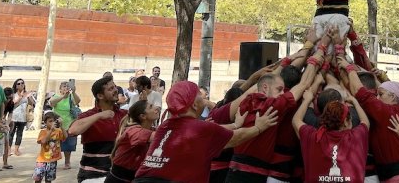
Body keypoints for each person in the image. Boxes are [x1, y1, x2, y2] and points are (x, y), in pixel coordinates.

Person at [134, 80, 278, 183]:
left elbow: (211, 132)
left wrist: (235, 124)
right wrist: (259, 127)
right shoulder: (201, 129)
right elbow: (236, 138)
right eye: (199, 95)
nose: (204, 98)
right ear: (195, 105)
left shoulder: (165, 125)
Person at [227, 41, 327, 182]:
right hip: (252, 174)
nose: (282, 93)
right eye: (279, 90)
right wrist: (321, 50)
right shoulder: (273, 105)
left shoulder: (245, 101)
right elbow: (304, 84)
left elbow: (260, 78)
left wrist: (305, 49)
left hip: (234, 170)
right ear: (265, 88)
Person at [339, 55, 399, 182]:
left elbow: (360, 92)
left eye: (380, 95)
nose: (377, 98)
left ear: (392, 97)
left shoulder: (389, 112)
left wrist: (349, 68)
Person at [293, 87, 370, 183]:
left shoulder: (313, 136)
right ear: (346, 122)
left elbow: (296, 120)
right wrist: (355, 102)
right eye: (349, 118)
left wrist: (307, 100)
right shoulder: (356, 136)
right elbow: (365, 122)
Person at [68, 76, 127, 182]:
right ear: (100, 95)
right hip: (92, 176)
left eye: (114, 87)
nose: (115, 90)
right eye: (110, 89)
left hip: (117, 175)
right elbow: (73, 130)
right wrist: (99, 116)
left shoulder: (124, 114)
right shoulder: (89, 115)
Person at [104, 100, 155, 183]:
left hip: (133, 178)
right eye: (151, 107)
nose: (156, 108)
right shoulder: (133, 131)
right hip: (118, 180)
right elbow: (160, 137)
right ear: (143, 116)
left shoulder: (151, 129)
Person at [49, 81, 81, 170]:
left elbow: (78, 101)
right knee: (54, 144)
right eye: (63, 86)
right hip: (57, 125)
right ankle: (53, 161)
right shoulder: (56, 96)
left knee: (68, 145)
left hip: (69, 124)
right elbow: (52, 103)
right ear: (60, 89)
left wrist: (73, 92)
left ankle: (67, 162)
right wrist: (63, 97)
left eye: (67, 86)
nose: (66, 87)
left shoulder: (71, 97)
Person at [33, 112, 67, 183]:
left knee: (49, 179)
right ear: (45, 122)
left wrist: (61, 126)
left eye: (54, 121)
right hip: (42, 160)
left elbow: (65, 136)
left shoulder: (58, 131)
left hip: (53, 160)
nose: (52, 123)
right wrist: (51, 130)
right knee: (38, 178)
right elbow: (43, 141)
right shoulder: (43, 132)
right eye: (50, 121)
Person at [10, 79, 35, 155]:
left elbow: (32, 104)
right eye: (19, 83)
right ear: (15, 85)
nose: (21, 84)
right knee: (11, 133)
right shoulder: (13, 94)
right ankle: (8, 149)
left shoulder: (26, 94)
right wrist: (20, 96)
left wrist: (29, 97)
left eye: (22, 83)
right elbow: (12, 104)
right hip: (13, 117)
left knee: (19, 134)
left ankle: (16, 149)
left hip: (23, 117)